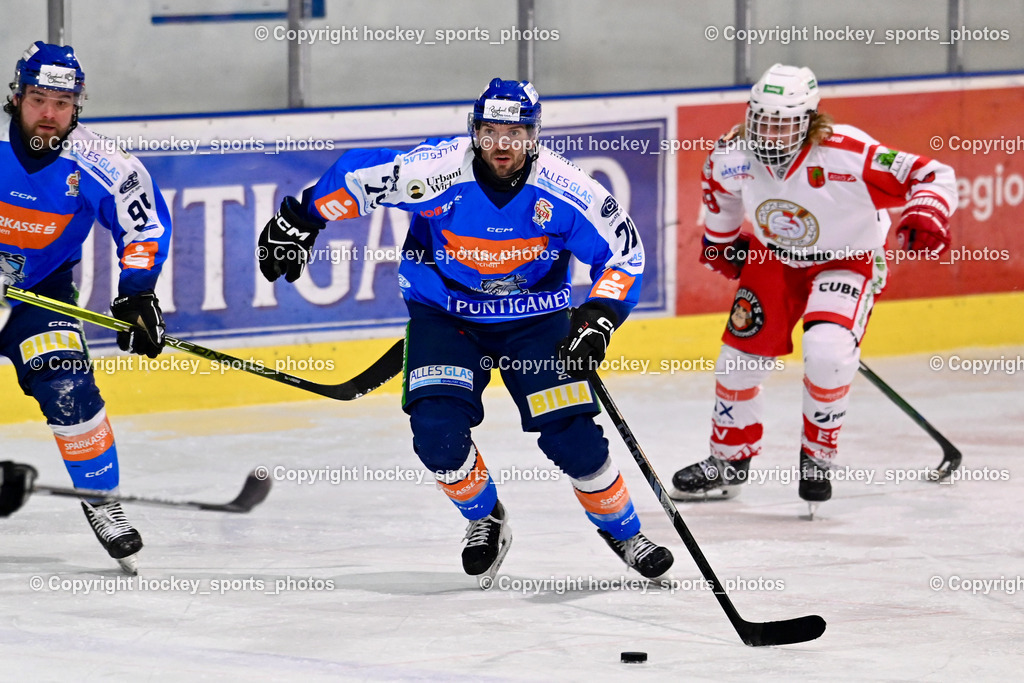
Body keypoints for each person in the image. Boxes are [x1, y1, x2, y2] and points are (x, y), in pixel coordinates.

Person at [258, 78, 674, 581]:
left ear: (535, 135)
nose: (502, 145)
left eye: (516, 133)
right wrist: (300, 219)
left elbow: (624, 253)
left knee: (574, 441)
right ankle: (486, 518)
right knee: (436, 436)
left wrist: (598, 319)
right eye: (491, 131)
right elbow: (356, 175)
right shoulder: (434, 173)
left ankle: (624, 531)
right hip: (447, 318)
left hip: (535, 322)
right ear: (473, 131)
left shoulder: (567, 189)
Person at [670, 64, 956, 514]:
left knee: (826, 351)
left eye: (782, 122)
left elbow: (932, 173)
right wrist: (722, 243)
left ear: (808, 120)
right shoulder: (733, 153)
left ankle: (817, 455)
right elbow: (719, 193)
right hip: (774, 259)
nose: (769, 133)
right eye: (761, 120)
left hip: (849, 258)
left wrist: (926, 210)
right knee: (737, 361)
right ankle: (728, 462)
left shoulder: (848, 153)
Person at [1, 42, 171, 572]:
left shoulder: (102, 162)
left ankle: (103, 502)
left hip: (39, 294)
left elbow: (142, 226)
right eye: (37, 99)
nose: (48, 114)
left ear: (79, 106)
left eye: (62, 103)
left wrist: (137, 293)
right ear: (16, 97)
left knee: (68, 383)